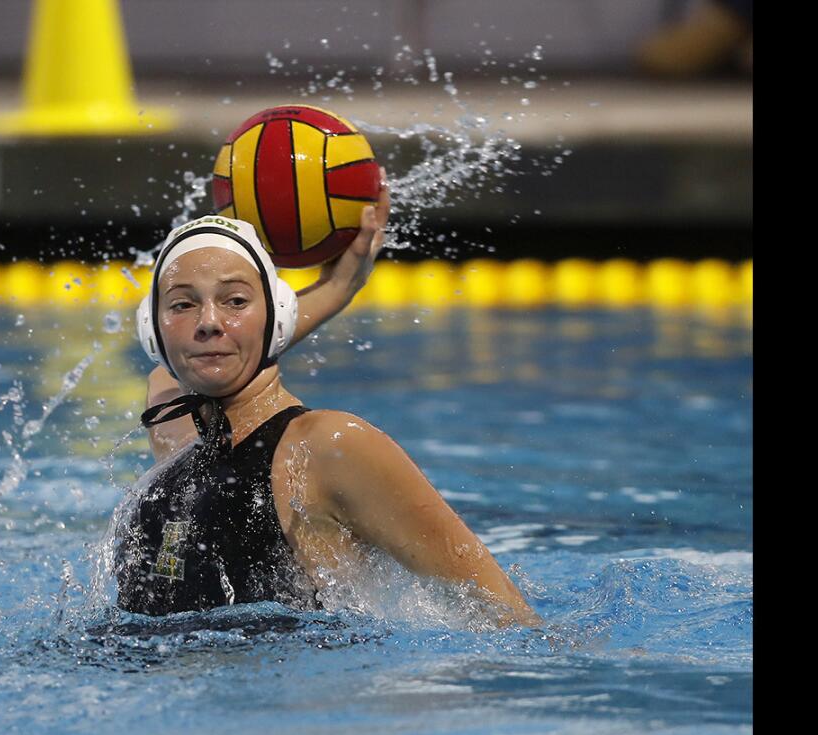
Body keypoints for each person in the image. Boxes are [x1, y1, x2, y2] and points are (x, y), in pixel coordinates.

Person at [113, 177, 541, 627]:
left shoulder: (327, 448)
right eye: (182, 305)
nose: (209, 323)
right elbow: (183, 363)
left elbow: (505, 616)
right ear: (154, 331)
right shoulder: (177, 437)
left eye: (235, 301)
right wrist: (336, 289)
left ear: (275, 318)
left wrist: (320, 299)